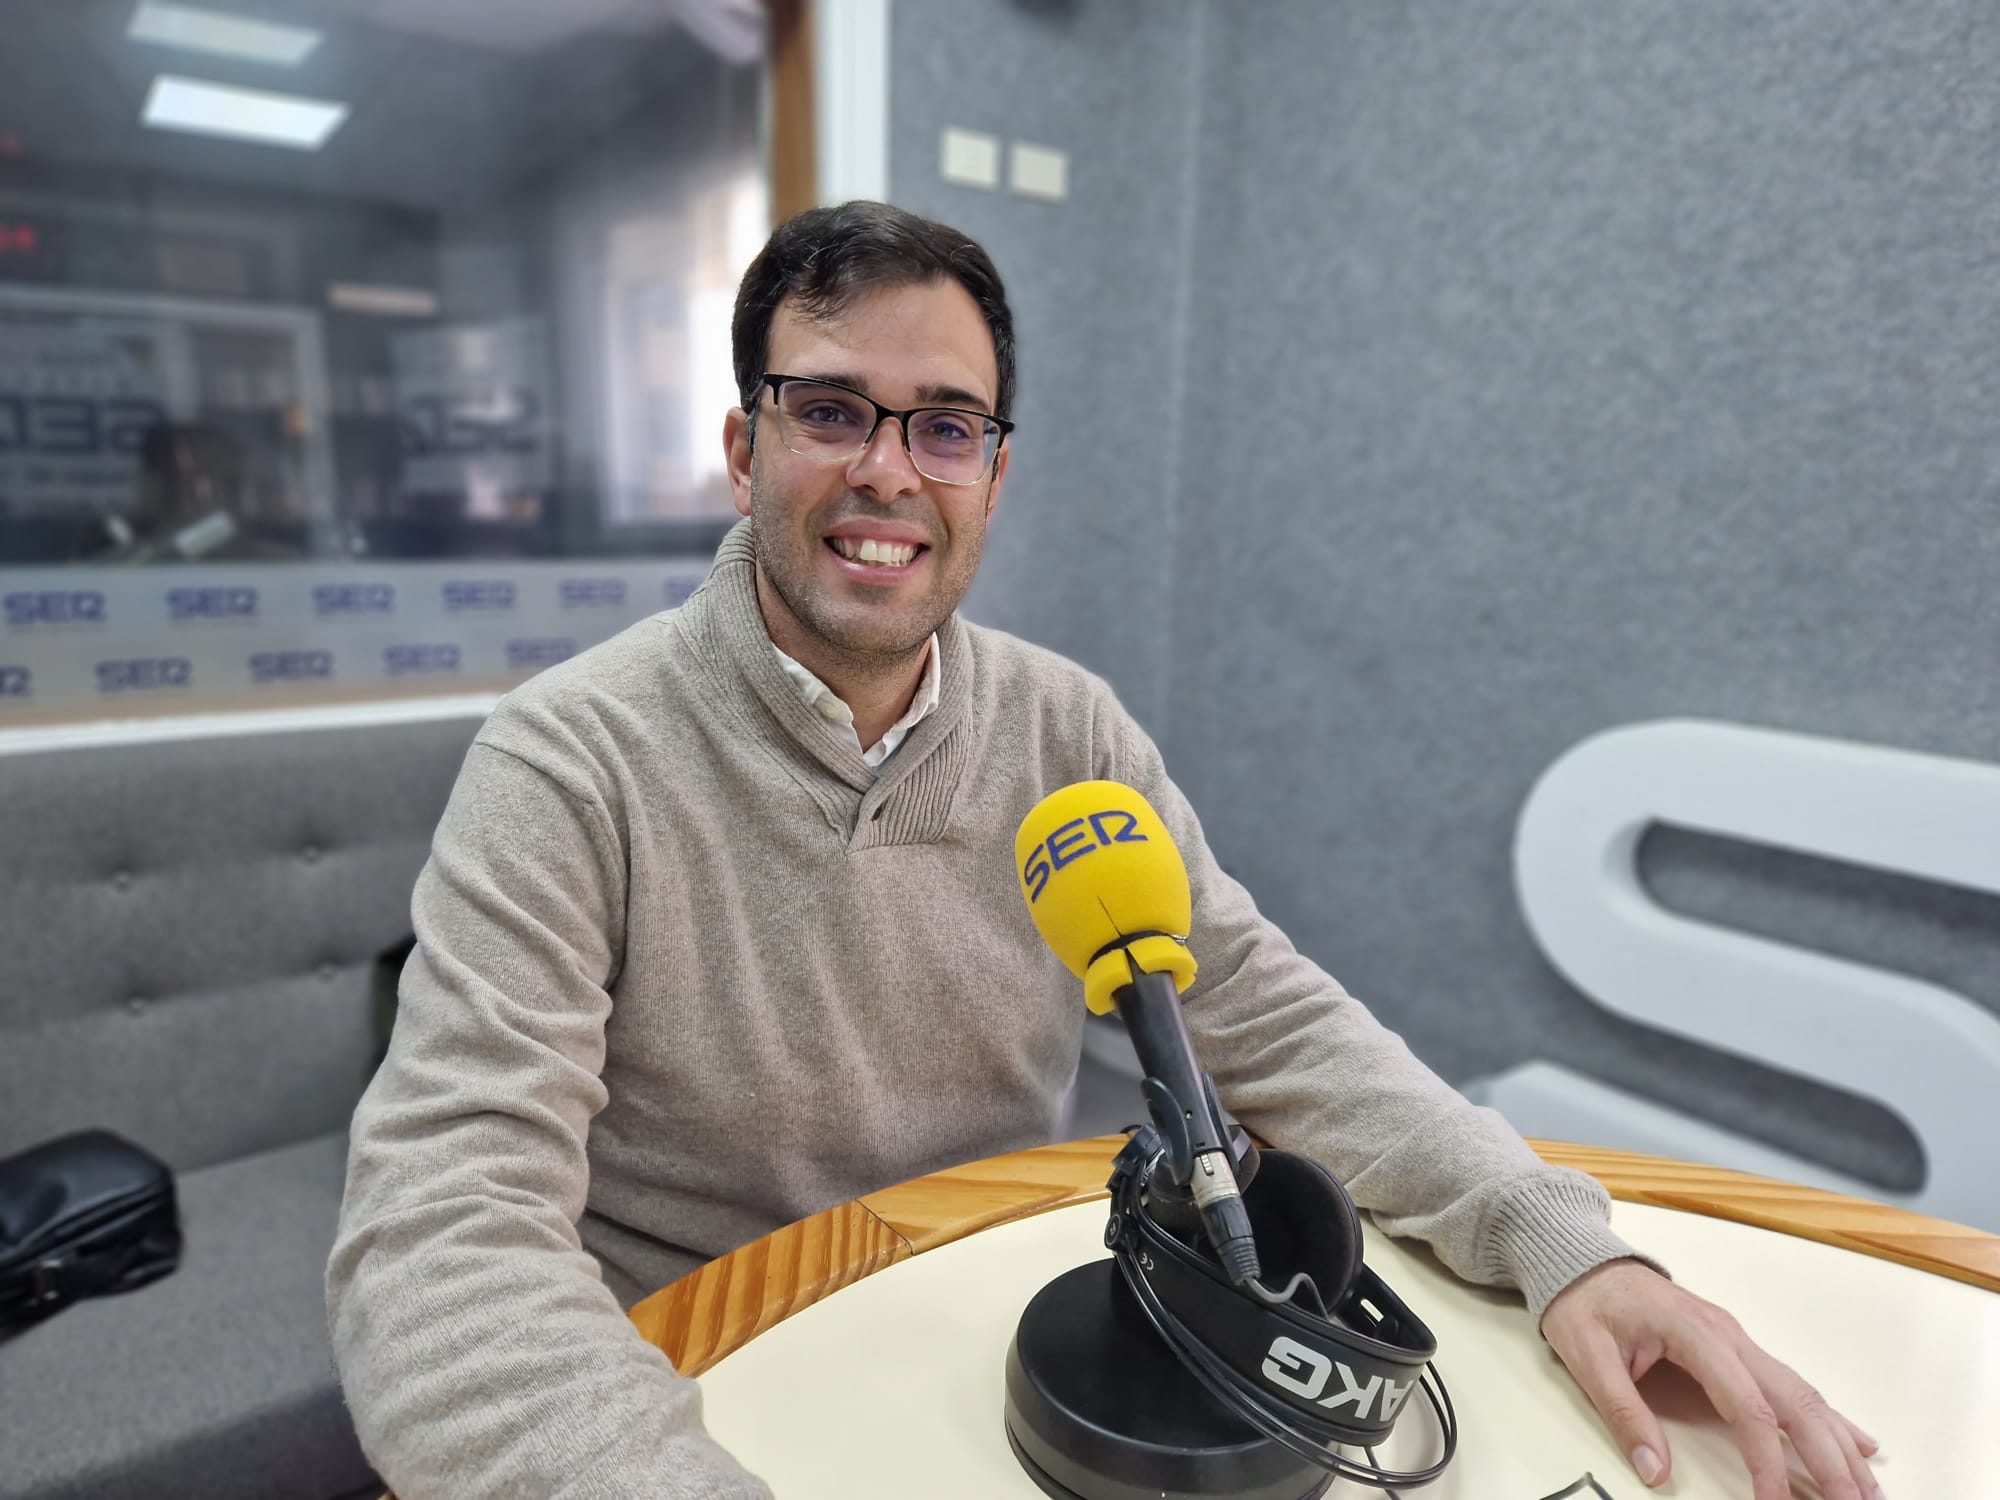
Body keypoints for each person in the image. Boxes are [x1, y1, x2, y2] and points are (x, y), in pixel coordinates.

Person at [328, 201, 1882, 1500]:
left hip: (1002, 1347)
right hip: (700, 1376)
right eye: (830, 411)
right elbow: (444, 1235)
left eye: (944, 427)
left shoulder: (1068, 730)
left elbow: (1266, 1018)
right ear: (746, 450)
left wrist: (1561, 1246)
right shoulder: (568, 758)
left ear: (994, 472)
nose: (888, 471)